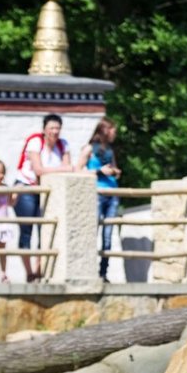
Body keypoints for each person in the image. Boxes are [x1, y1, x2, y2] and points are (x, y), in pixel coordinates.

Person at [15, 113, 73, 282]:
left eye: (57, 128)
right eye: (51, 128)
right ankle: (29, 272)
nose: (54, 132)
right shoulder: (35, 142)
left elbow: (68, 167)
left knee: (45, 231)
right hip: (27, 188)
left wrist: (64, 169)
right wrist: (63, 169)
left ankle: (39, 270)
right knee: (26, 231)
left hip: (48, 191)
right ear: (44, 130)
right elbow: (39, 170)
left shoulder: (63, 145)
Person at [77, 117, 121, 282]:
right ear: (104, 130)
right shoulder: (89, 149)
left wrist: (115, 171)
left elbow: (113, 167)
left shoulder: (110, 150)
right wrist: (99, 172)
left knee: (108, 235)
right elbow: (78, 170)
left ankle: (103, 273)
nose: (114, 133)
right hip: (96, 193)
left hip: (112, 194)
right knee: (92, 232)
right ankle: (87, 270)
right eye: (112, 130)